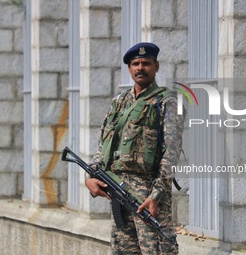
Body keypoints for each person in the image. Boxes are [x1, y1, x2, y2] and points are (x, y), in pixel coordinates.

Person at [85, 42, 184, 255]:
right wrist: (89, 177)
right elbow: (103, 146)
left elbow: (171, 154)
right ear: (129, 69)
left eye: (146, 63)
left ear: (156, 67)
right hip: (118, 190)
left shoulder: (167, 102)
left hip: (148, 197)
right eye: (135, 63)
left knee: (157, 250)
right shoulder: (118, 103)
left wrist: (156, 195)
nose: (140, 68)